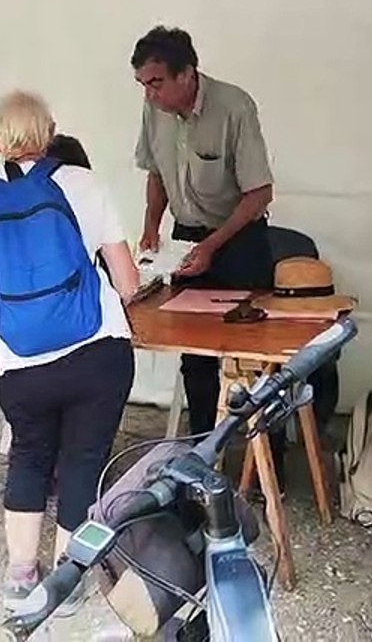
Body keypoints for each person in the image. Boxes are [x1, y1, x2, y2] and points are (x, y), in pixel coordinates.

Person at [0, 91, 141, 614]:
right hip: (97, 352)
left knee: (30, 455)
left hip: (18, 362)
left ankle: (19, 575)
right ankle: (69, 578)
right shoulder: (84, 183)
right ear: (51, 131)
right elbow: (127, 282)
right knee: (83, 458)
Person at [131, 26, 276, 438]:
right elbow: (156, 172)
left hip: (238, 239)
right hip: (186, 238)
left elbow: (260, 193)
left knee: (250, 354)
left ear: (187, 74)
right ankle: (200, 448)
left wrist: (212, 245)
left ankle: (269, 461)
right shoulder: (153, 109)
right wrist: (150, 231)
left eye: (156, 83)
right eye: (142, 84)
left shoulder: (234, 107)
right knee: (194, 353)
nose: (149, 94)